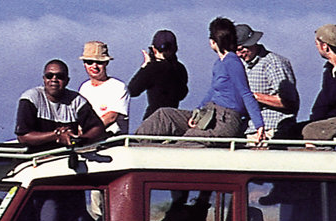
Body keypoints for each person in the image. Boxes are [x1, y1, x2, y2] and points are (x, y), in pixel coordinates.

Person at [133, 18, 265, 141]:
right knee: (164, 115)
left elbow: (245, 93)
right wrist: (197, 112)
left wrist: (259, 125)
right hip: (211, 113)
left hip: (225, 119)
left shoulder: (232, 62)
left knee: (189, 138)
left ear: (213, 41)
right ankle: (134, 144)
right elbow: (212, 91)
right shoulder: (219, 63)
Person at [14, 60, 105, 148]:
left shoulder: (77, 100)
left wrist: (79, 140)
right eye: (49, 76)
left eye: (60, 76)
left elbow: (97, 128)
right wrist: (57, 135)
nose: (54, 79)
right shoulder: (31, 98)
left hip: (67, 154)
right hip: (37, 158)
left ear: (67, 80)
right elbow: (23, 137)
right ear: (44, 79)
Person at [234, 24, 298, 145]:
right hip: (246, 127)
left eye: (241, 49)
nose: (239, 54)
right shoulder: (242, 65)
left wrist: (254, 97)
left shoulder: (273, 63)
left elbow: (289, 101)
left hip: (271, 128)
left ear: (252, 43)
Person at [127, 29, 188, 119]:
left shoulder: (153, 68)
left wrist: (145, 66)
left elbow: (132, 90)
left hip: (154, 119)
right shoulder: (180, 68)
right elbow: (182, 94)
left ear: (154, 49)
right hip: (173, 119)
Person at [78, 41, 130, 135]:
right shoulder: (84, 88)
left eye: (99, 62)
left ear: (106, 63)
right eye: (89, 62)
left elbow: (111, 117)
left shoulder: (118, 87)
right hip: (87, 141)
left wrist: (89, 133)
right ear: (84, 64)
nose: (94, 66)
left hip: (112, 141)